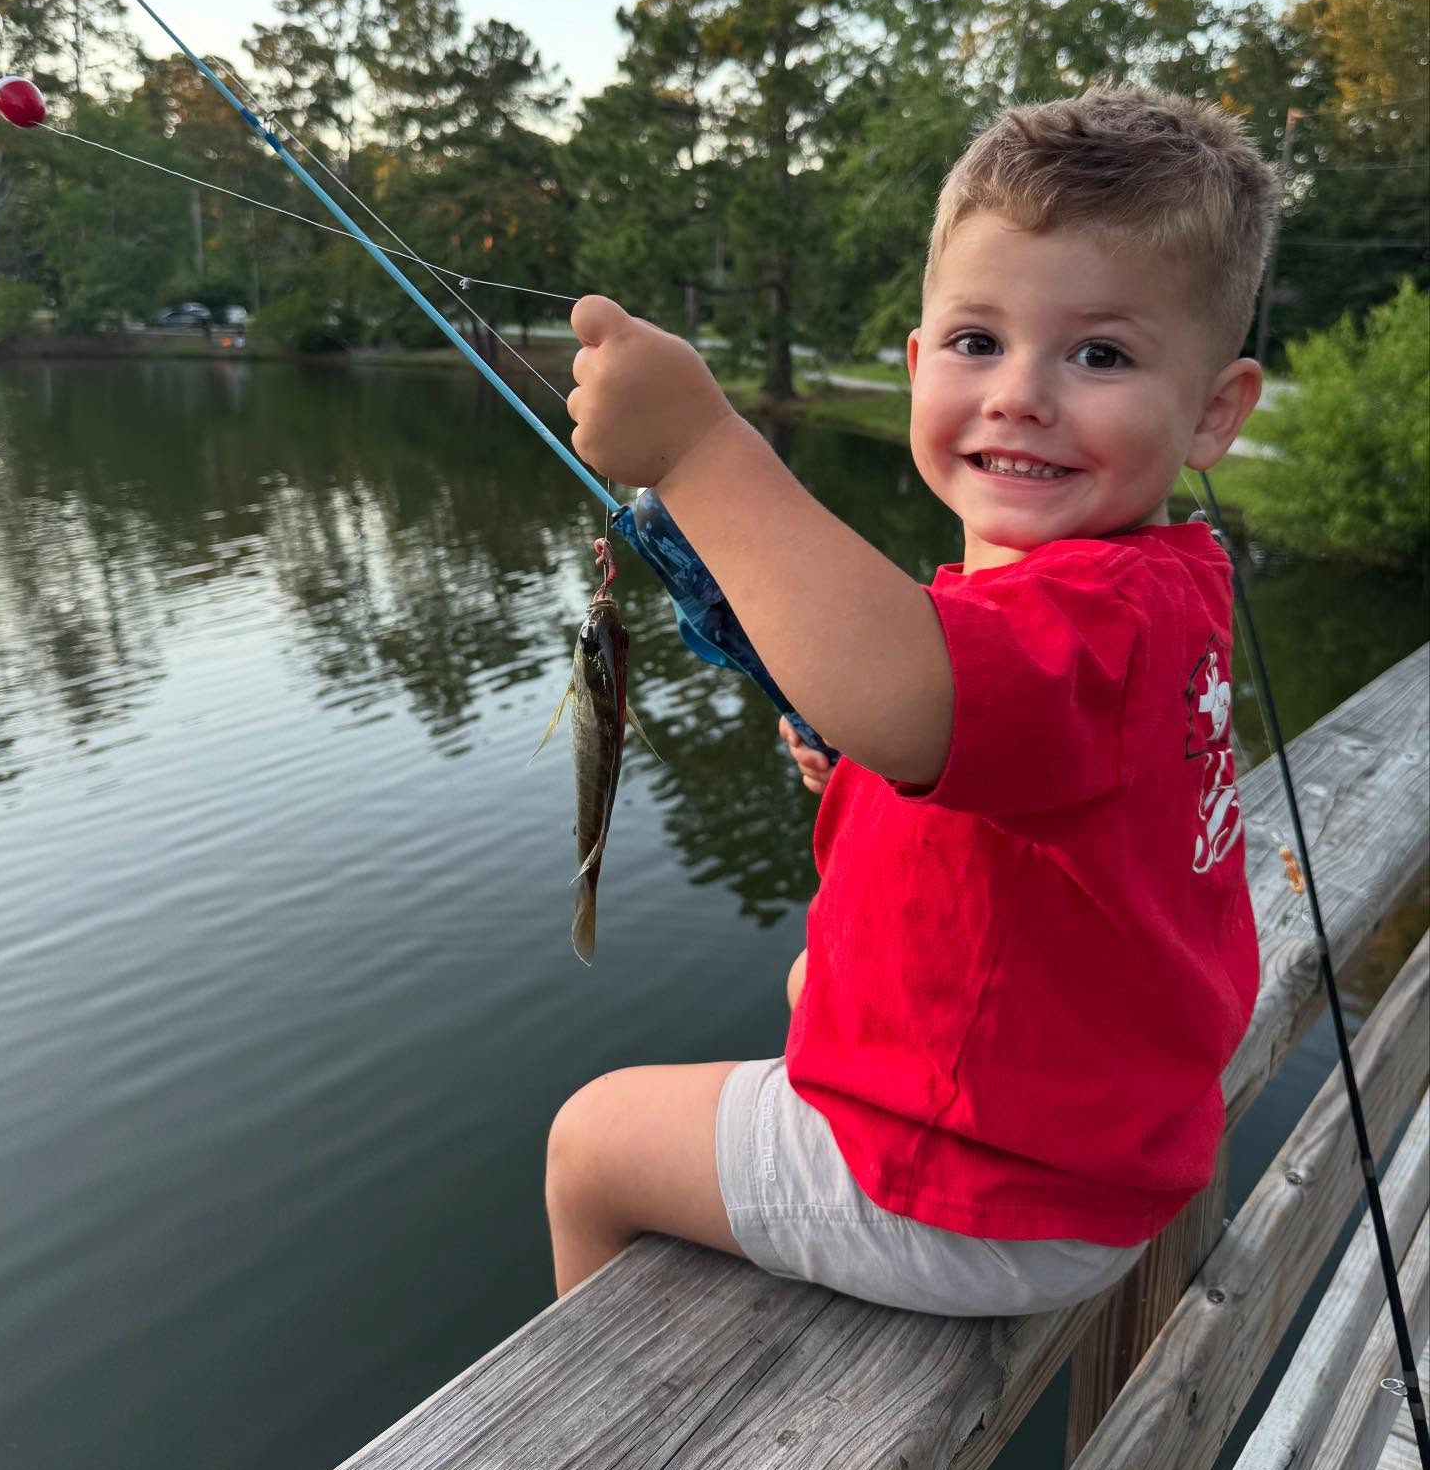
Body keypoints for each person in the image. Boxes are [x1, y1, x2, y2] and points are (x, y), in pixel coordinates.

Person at [544, 83, 1272, 1316]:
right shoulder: (1164, 585)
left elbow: (903, 682)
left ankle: (583, 1405)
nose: (1021, 392)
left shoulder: (1088, 622)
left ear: (1214, 411)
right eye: (979, 341)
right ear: (920, 363)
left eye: (1099, 354)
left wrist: (699, 449)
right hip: (1105, 1128)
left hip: (995, 1187)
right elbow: (1007, 751)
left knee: (593, 1138)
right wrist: (871, 761)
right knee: (805, 984)